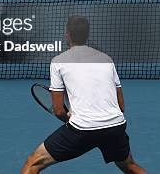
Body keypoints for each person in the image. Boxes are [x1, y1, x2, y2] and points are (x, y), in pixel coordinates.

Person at [21, 16, 146, 173]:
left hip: (83, 129)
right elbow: (121, 106)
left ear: (67, 35)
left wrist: (69, 118)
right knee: (129, 166)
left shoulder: (58, 61)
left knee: (33, 163)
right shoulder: (107, 59)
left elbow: (59, 110)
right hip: (115, 126)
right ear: (87, 35)